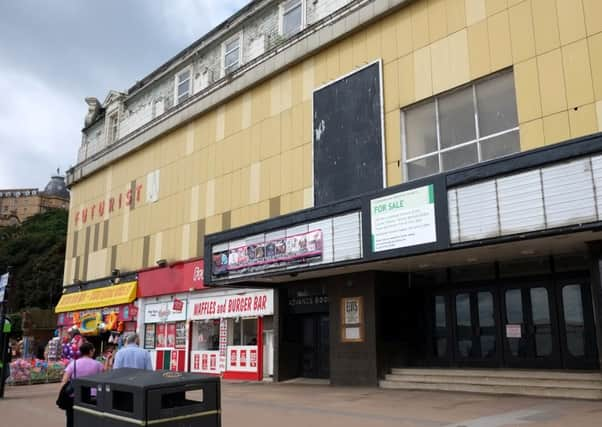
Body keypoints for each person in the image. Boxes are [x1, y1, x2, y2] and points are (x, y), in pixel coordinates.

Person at [61, 342, 103, 427]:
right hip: (92, 397)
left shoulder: (74, 364)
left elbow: (64, 381)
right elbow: (105, 377)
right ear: (91, 351)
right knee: (90, 420)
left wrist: (63, 393)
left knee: (71, 420)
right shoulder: (98, 364)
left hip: (75, 396)